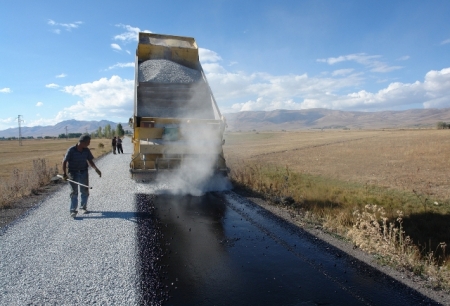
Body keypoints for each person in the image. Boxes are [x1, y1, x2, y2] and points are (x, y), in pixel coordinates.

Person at [62, 134, 102, 218]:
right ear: (83, 142)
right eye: (88, 142)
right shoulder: (71, 150)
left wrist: (96, 169)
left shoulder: (86, 150)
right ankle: (73, 211)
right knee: (74, 192)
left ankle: (83, 207)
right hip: (73, 173)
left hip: (83, 172)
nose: (89, 143)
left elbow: (90, 160)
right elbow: (64, 161)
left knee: (84, 191)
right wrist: (64, 174)